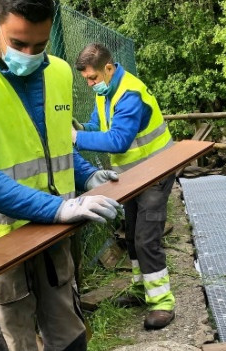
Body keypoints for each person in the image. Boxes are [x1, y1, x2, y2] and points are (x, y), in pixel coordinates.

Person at [0, 0, 120, 350]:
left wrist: (89, 177)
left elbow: (58, 145)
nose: (29, 54)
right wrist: (56, 209)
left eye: (40, 45)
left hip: (53, 234)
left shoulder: (59, 72)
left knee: (68, 329)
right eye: (18, 43)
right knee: (15, 338)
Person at [72, 43, 176, 330]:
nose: (91, 85)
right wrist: (80, 129)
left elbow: (118, 140)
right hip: (133, 176)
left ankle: (163, 302)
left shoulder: (129, 94)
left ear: (108, 67)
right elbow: (98, 126)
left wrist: (74, 139)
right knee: (130, 234)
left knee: (146, 238)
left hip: (156, 172)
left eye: (92, 78)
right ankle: (141, 289)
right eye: (87, 81)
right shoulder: (107, 91)